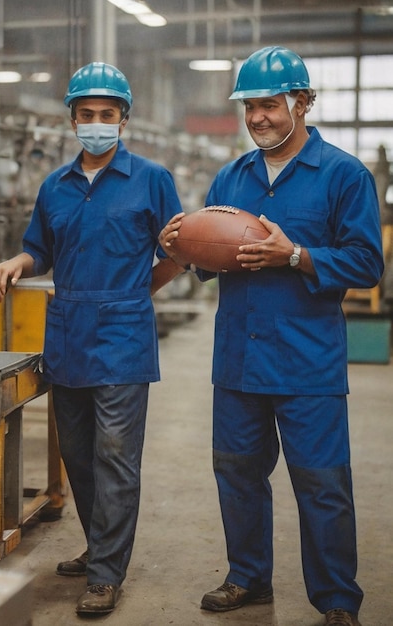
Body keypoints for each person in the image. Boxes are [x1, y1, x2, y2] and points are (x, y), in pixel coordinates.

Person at [160, 46, 383, 626]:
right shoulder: (231, 176)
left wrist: (299, 255)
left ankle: (336, 599)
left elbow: (366, 264)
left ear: (302, 102)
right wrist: (180, 246)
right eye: (249, 106)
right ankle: (248, 577)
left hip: (307, 361)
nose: (257, 117)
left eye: (269, 105)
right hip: (238, 357)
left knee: (322, 483)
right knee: (236, 472)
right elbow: (213, 260)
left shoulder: (344, 175)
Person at [0, 61, 184, 616]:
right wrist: (15, 262)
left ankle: (106, 573)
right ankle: (101, 546)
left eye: (107, 114)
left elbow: (178, 251)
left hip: (123, 337)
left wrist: (136, 293)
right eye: (87, 114)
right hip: (69, 336)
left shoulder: (152, 179)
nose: (97, 122)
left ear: (123, 119)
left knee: (116, 456)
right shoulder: (55, 186)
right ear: (72, 119)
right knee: (78, 456)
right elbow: (40, 250)